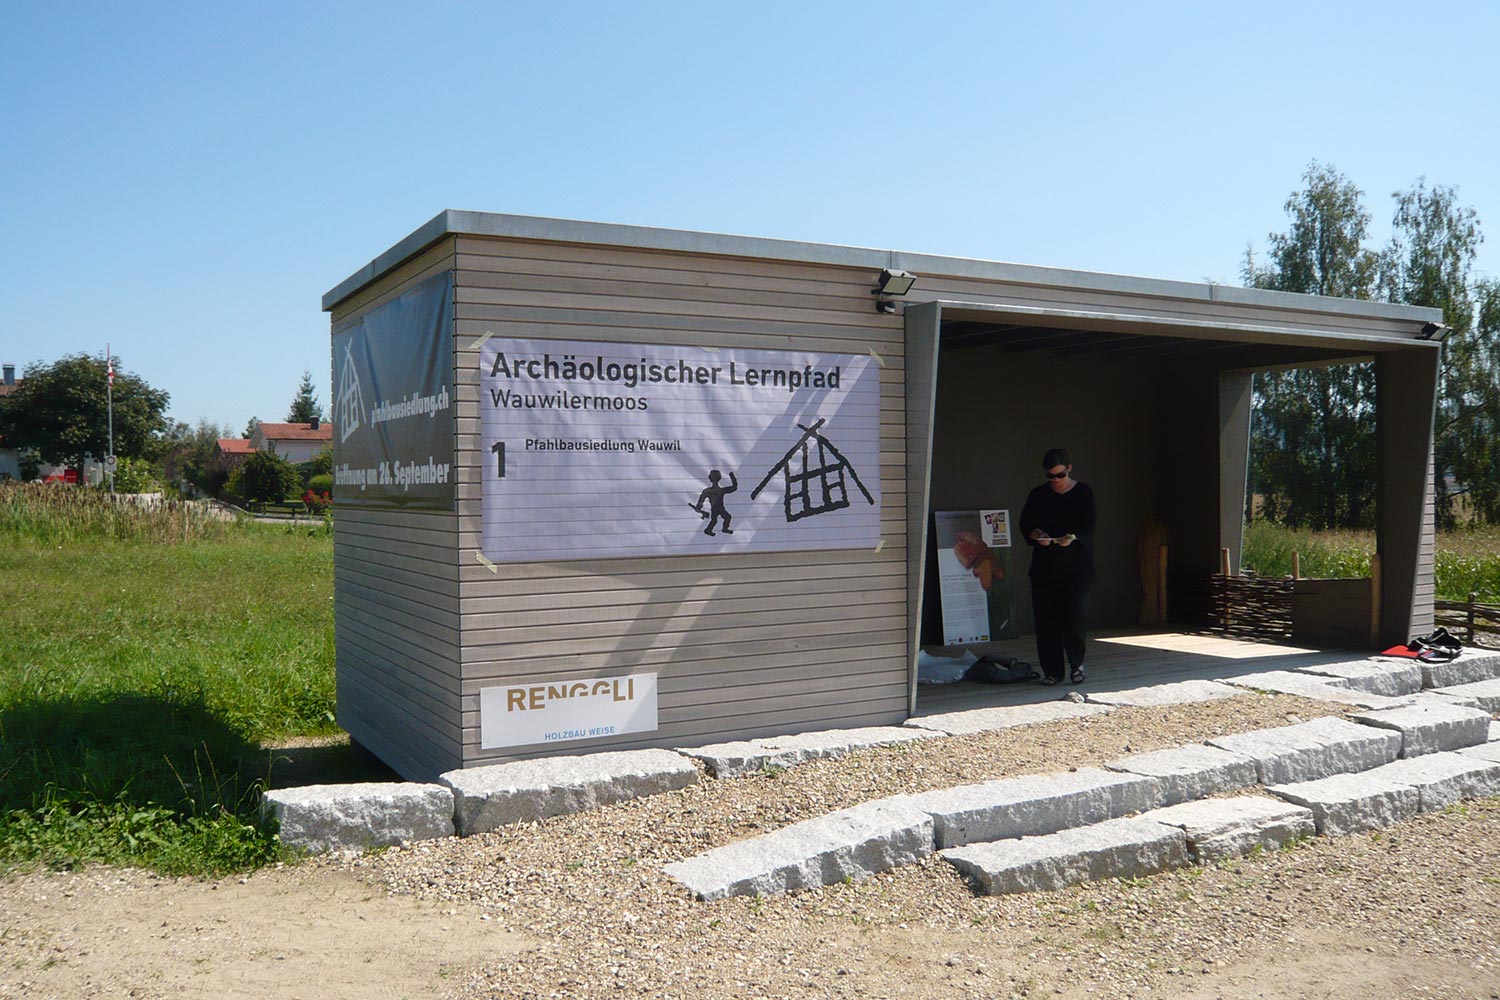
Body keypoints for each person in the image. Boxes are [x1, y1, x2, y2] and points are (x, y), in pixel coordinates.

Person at [1018, 448, 1096, 685]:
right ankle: (1052, 671)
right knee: (1045, 620)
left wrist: (1072, 537)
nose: (1055, 480)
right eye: (1050, 476)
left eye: (1060, 475)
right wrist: (1037, 535)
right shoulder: (1038, 494)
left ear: (1069, 469)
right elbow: (1026, 524)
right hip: (1045, 568)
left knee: (1074, 616)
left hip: (1077, 569)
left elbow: (1089, 527)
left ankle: (1076, 664)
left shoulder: (1083, 492)